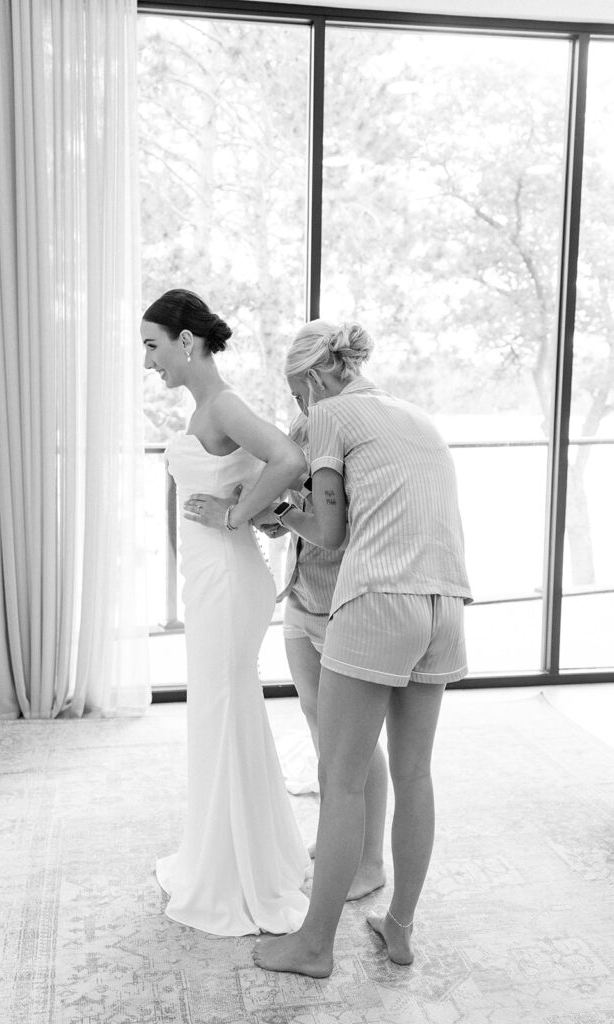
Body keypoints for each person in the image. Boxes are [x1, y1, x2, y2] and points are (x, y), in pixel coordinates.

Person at [252, 319, 472, 977]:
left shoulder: (331, 415)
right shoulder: (415, 417)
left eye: (298, 395)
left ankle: (314, 946)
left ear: (316, 377)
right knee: (414, 774)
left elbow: (328, 526)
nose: (300, 412)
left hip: (378, 599)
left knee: (339, 777)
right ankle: (398, 929)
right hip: (445, 604)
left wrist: (277, 515)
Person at [142, 288, 310, 936]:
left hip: (227, 575)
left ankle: (237, 873)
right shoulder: (206, 407)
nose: (149, 361)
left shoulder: (224, 404)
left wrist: (237, 514)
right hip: (212, 577)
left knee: (221, 704)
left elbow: (288, 458)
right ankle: (240, 853)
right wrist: (243, 508)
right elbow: (272, 469)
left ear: (187, 342)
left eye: (153, 346)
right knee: (222, 708)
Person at [256, 413, 388, 902]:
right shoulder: (302, 425)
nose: (300, 401)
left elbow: (345, 525)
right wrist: (281, 515)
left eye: (302, 388)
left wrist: (288, 513)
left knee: (354, 741)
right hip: (301, 596)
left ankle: (370, 861)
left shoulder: (364, 435)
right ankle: (338, 840)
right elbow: (299, 500)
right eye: (293, 393)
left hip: (345, 603)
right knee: (319, 729)